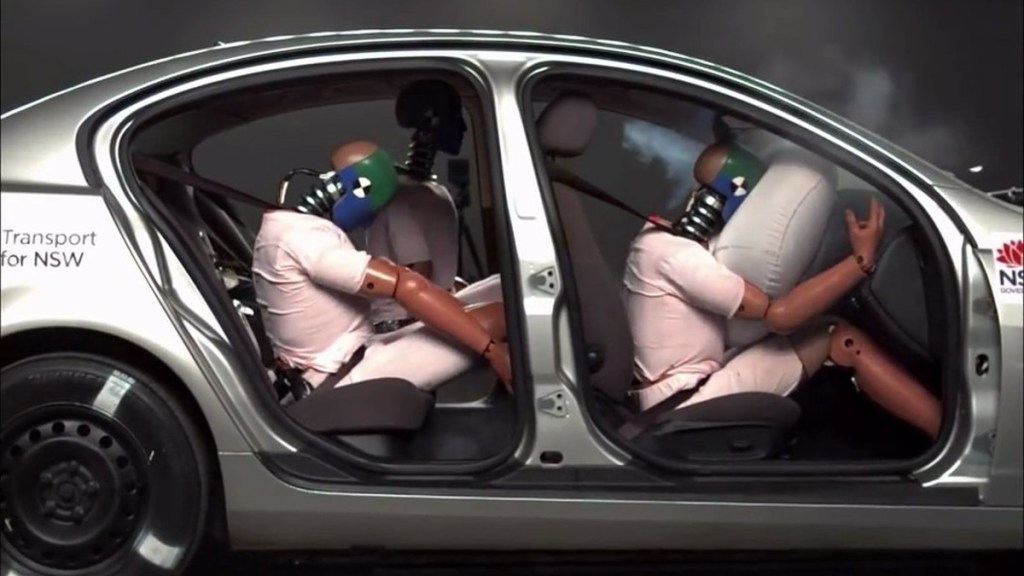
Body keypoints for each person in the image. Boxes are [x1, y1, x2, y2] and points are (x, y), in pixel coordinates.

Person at [623, 141, 941, 439]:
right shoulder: (671, 253)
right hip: (685, 400)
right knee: (839, 337)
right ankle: (952, 437)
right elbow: (778, 315)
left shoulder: (655, 243)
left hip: (679, 387)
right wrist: (860, 261)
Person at [253, 140, 511, 395]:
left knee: (507, 289)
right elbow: (409, 284)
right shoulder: (301, 238)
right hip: (340, 373)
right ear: (360, 188)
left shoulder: (288, 231)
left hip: (356, 351)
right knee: (508, 314)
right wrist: (492, 350)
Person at [356, 79, 502, 334]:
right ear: (430, 121)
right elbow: (418, 276)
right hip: (406, 323)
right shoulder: (402, 197)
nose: (463, 127)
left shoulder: (428, 192)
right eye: (454, 117)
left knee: (512, 286)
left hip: (428, 309)